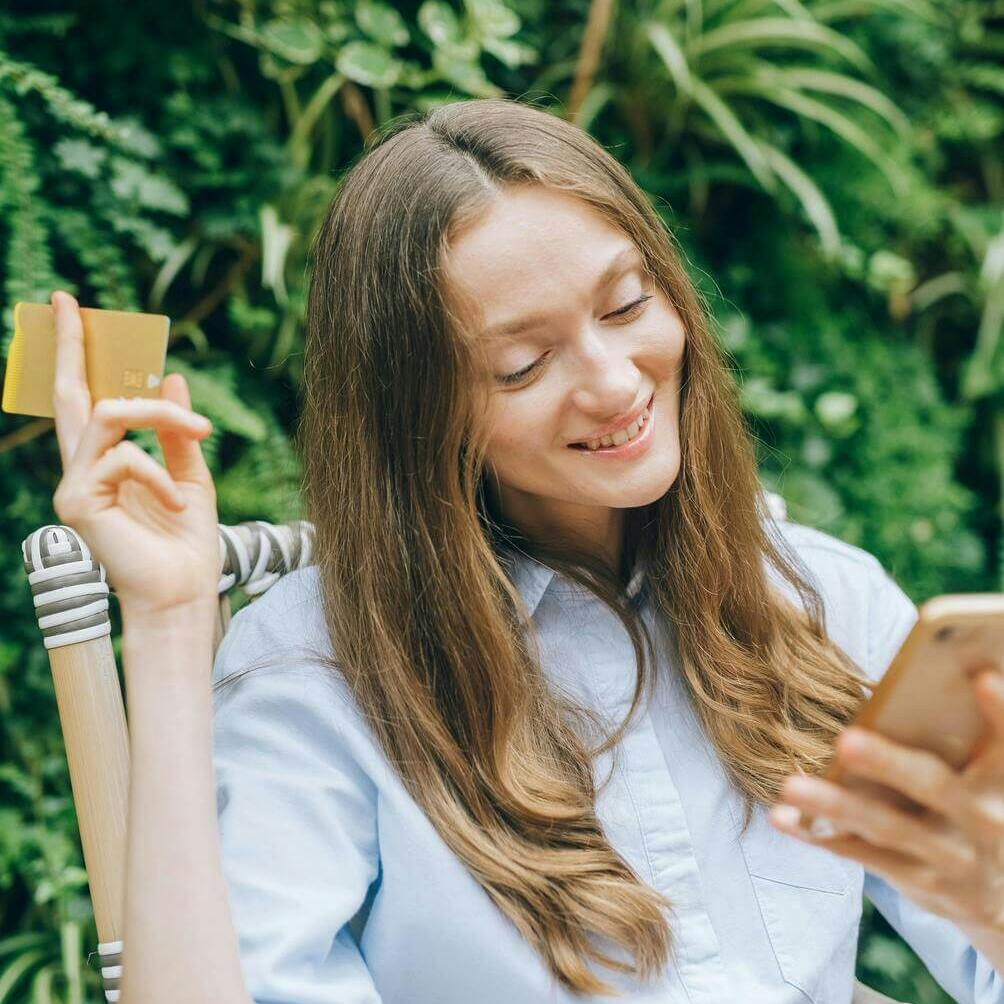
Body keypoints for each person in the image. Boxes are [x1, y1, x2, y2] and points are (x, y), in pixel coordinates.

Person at [48, 97, 1004, 1004]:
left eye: (628, 304)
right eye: (524, 364)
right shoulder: (319, 680)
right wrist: (170, 624)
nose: (614, 381)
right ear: (424, 419)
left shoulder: (819, 596)